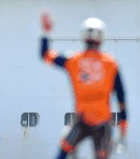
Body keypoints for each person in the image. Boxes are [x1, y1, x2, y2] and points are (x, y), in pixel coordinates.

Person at [39, 11, 128, 159]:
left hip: (82, 121)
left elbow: (45, 55)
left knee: (63, 150)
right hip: (103, 124)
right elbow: (121, 95)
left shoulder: (73, 61)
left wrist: (46, 31)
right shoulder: (111, 63)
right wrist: (124, 125)